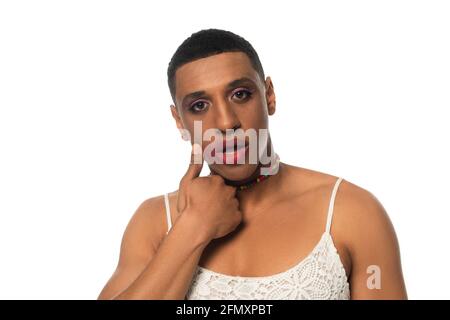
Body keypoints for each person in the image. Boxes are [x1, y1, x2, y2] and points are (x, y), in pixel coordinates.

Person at [97, 28, 407, 300]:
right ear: (179, 121)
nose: (226, 122)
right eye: (199, 106)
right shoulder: (154, 223)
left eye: (240, 94)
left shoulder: (352, 213)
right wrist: (192, 228)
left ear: (269, 96)